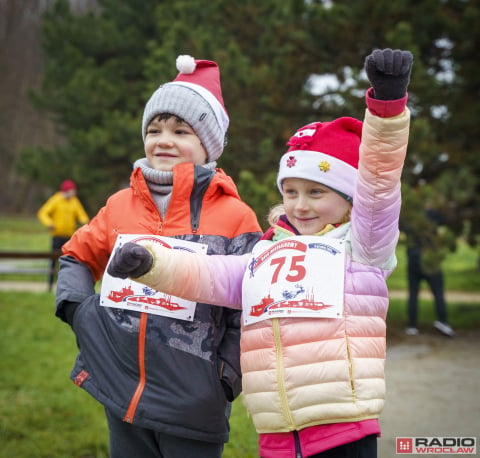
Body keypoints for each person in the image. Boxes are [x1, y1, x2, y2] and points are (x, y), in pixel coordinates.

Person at [107, 48, 413, 458]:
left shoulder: (362, 248)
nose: (300, 205)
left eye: (316, 192)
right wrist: (151, 264)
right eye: (290, 192)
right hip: (275, 433)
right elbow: (210, 275)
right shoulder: (266, 252)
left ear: (348, 199)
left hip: (343, 428)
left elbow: (378, 181)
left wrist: (387, 109)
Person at [55, 55, 262, 458]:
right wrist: (78, 311)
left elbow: (252, 305)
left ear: (208, 144)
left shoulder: (237, 216)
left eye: (181, 130)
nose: (163, 140)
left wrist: (227, 375)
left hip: (194, 402)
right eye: (154, 129)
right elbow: (75, 257)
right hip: (118, 390)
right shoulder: (118, 205)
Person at [402, 206, 455, 337]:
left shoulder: (409, 216)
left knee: (413, 294)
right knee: (438, 293)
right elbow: (445, 224)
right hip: (430, 258)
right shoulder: (434, 213)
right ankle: (442, 321)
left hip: (413, 258)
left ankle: (412, 325)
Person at [37, 179, 89, 290]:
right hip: (57, 236)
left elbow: (82, 215)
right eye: (72, 190)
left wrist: (84, 223)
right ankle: (49, 286)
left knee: (68, 262)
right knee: (53, 261)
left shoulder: (74, 201)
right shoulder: (56, 199)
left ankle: (65, 287)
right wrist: (49, 223)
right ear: (66, 191)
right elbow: (43, 213)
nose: (74, 193)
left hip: (69, 237)